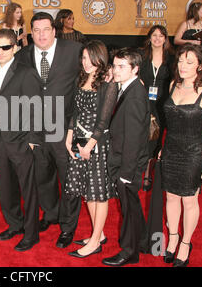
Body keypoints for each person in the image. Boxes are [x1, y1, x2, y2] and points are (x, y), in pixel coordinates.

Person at [16, 12, 83, 248]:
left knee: (68, 178)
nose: (41, 34)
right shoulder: (23, 55)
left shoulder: (74, 51)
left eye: (46, 29)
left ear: (54, 31)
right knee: (42, 175)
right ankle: (51, 213)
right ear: (30, 32)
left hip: (64, 128)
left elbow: (90, 78)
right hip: (36, 127)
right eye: (36, 30)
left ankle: (67, 226)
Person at [161, 44, 202, 267]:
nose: (183, 66)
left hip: (194, 153)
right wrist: (160, 148)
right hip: (171, 150)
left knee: (188, 199)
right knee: (171, 197)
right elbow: (169, 123)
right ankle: (173, 237)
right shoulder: (172, 85)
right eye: (180, 61)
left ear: (200, 66)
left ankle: (185, 242)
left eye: (189, 62)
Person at [65, 40, 117, 258]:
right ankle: (99, 234)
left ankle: (95, 241)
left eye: (89, 58)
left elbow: (104, 121)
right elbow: (75, 112)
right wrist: (69, 137)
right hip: (79, 140)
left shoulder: (108, 82)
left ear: (100, 58)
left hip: (97, 144)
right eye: (83, 58)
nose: (85, 62)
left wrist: (89, 146)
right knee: (88, 191)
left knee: (99, 194)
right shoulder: (83, 78)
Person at [0, 29, 42, 251]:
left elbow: (36, 107)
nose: (1, 52)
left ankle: (31, 234)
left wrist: (32, 140)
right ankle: (15, 224)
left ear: (14, 48)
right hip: (0, 140)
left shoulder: (26, 72)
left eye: (5, 47)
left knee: (28, 190)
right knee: (6, 187)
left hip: (22, 140)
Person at [102, 48, 150, 267]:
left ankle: (130, 253)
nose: (116, 70)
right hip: (124, 159)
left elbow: (134, 138)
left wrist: (126, 173)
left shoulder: (135, 96)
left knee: (129, 208)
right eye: (115, 65)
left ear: (135, 69)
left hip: (127, 163)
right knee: (132, 205)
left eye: (122, 66)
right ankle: (142, 240)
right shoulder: (127, 88)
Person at [139, 25, 174, 191]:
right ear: (149, 37)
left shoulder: (171, 58)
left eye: (161, 36)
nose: (157, 38)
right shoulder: (141, 56)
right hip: (143, 102)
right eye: (154, 35)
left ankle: (149, 173)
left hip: (162, 103)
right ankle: (140, 170)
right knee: (142, 137)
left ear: (166, 39)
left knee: (156, 139)